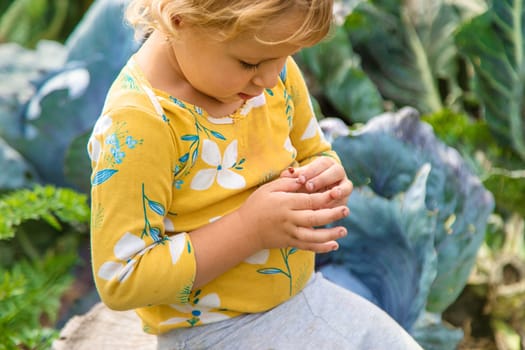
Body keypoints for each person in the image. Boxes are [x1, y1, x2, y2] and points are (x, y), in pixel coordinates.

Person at [87, 0, 423, 348]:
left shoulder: (269, 72)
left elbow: (313, 151)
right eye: (250, 62)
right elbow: (121, 277)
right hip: (215, 332)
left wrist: (325, 177)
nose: (270, 78)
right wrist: (250, 229)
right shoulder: (140, 125)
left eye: (286, 55)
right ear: (180, 19)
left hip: (301, 299)